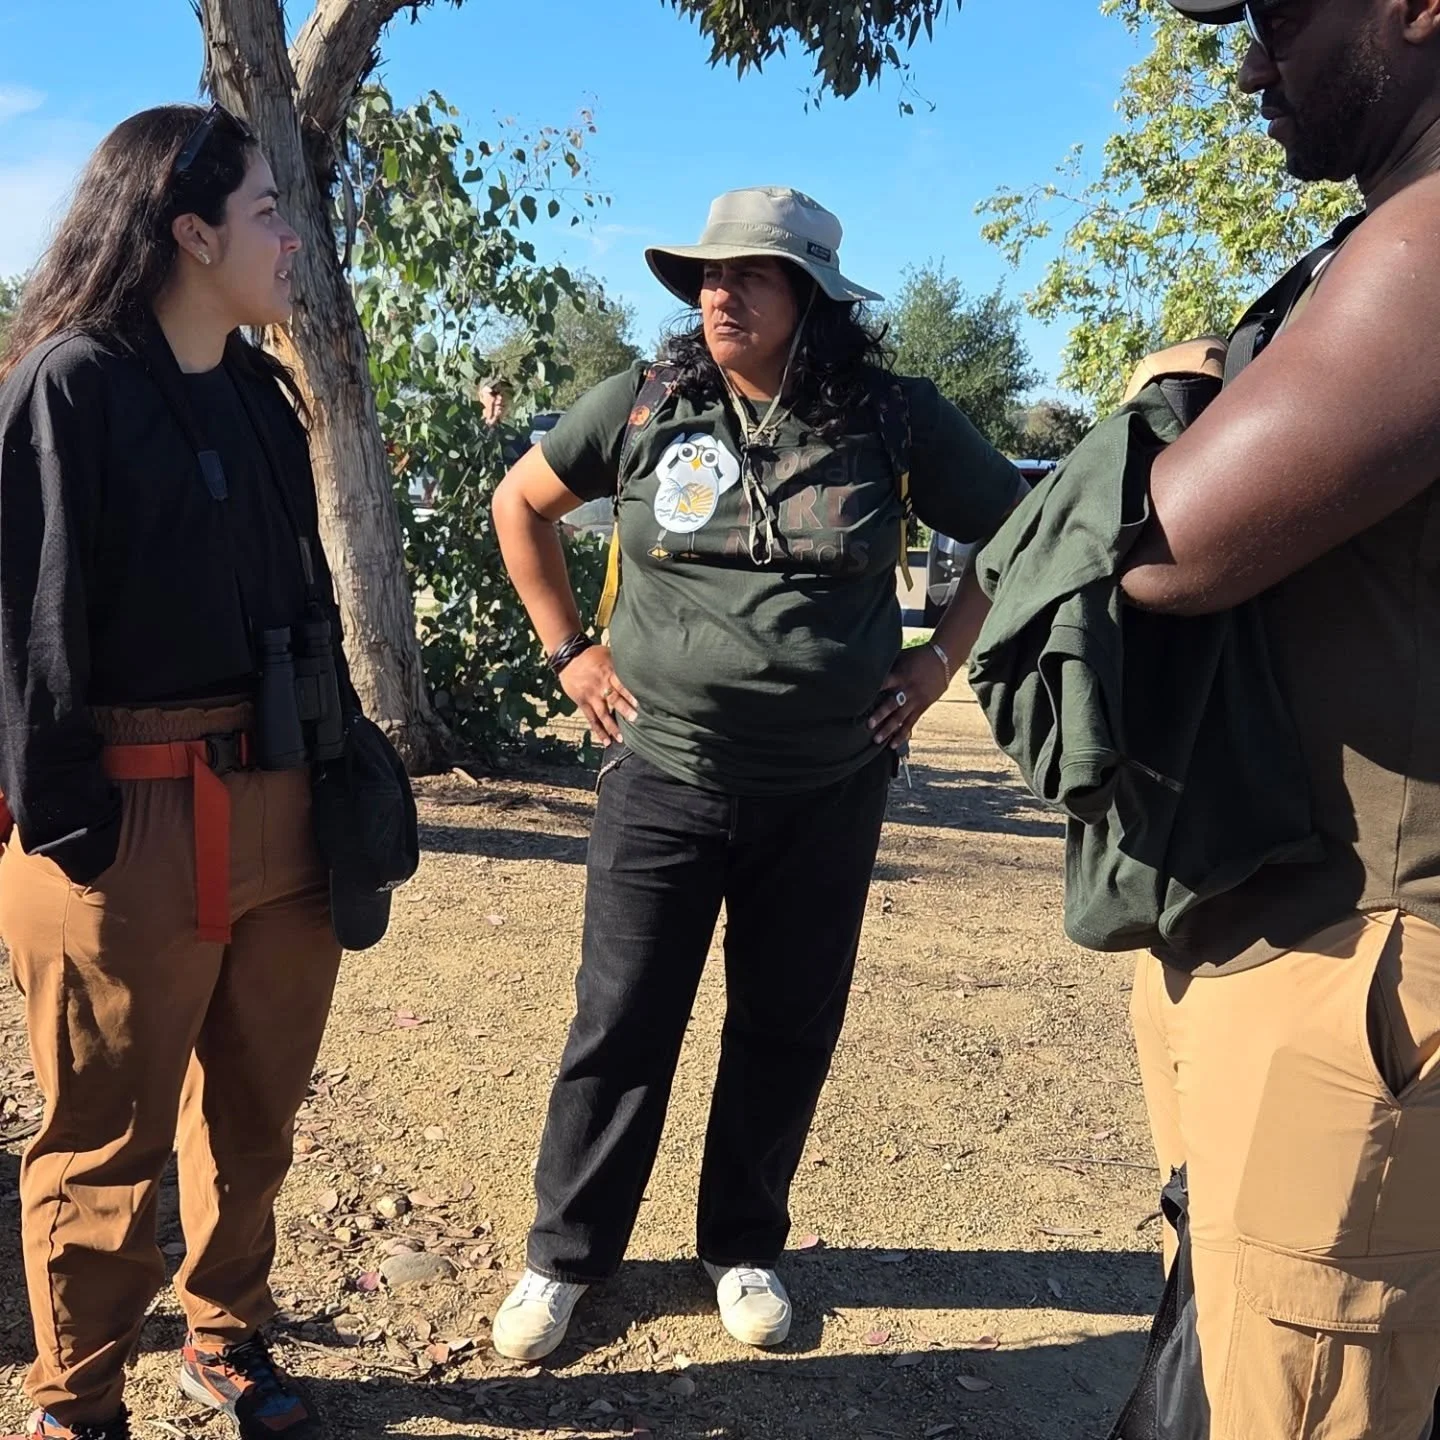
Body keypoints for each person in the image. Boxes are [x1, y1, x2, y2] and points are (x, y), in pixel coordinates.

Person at [489, 186, 1025, 1361]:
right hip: (664, 772)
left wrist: (937, 663)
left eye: (751, 276)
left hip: (829, 784)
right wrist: (570, 652)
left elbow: (1017, 528)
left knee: (783, 1023)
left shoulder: (889, 416)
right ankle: (564, 1260)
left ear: (813, 298)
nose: (720, 294)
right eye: (708, 277)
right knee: (621, 1021)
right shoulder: (644, 401)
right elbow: (519, 502)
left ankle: (741, 1246)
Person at [0, 103, 363, 1440]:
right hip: (129, 822)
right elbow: (25, 632)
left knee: (254, 1115)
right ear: (189, 230)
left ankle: (227, 1341)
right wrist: (75, 831)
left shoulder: (263, 395)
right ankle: (76, 1406)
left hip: (283, 807)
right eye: (269, 209)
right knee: (105, 1144)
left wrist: (342, 771)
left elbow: (310, 606)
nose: (290, 235)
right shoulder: (73, 382)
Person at [1118, 3, 1440, 1435]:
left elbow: (1163, 543)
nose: (1248, 64)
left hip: (1357, 954)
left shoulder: (1427, 252)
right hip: (1299, 925)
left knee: (1305, 1393)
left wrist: (1160, 401)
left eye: (1278, 17)